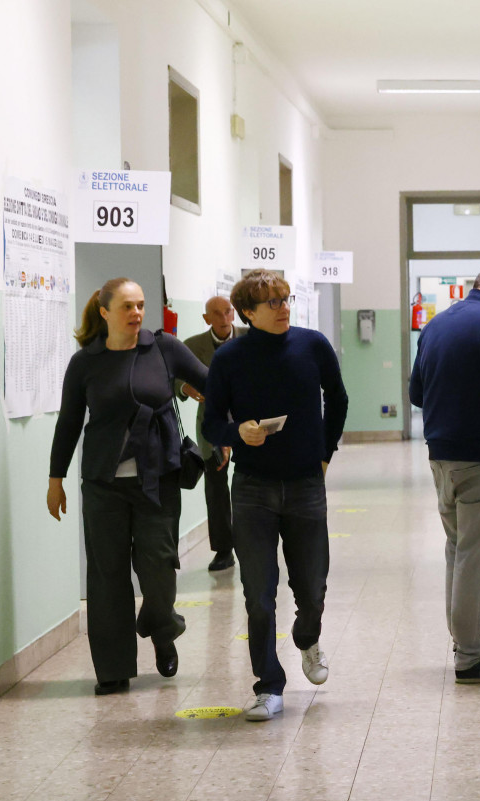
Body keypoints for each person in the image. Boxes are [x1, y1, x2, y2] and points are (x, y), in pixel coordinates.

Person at [47, 278, 208, 696]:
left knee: (158, 568)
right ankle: (113, 670)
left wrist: (231, 420)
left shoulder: (164, 349)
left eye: (140, 306)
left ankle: (161, 627)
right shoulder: (86, 363)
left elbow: (213, 383)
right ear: (104, 312)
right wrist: (55, 479)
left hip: (157, 481)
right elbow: (68, 423)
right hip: (103, 484)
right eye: (127, 307)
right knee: (106, 576)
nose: (137, 314)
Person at [202, 269, 348, 721]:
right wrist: (237, 432)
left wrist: (324, 455)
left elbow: (338, 400)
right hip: (252, 489)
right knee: (258, 595)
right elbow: (210, 424)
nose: (285, 308)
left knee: (313, 588)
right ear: (248, 311)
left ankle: (307, 638)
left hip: (306, 485)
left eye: (286, 299)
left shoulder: (313, 345)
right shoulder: (230, 358)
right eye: (273, 302)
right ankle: (269, 686)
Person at [408, 262, 480, 684]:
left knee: (458, 551)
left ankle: (464, 646)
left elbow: (416, 393)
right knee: (476, 556)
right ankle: (472, 655)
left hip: (440, 454)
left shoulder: (436, 325)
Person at [177, 296, 246, 572]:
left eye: (228, 311)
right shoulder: (192, 346)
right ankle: (223, 550)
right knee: (216, 489)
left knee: (249, 484)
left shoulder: (250, 339)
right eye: (216, 314)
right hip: (211, 426)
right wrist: (185, 388)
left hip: (248, 424)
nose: (223, 318)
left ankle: (253, 542)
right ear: (206, 319)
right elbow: (173, 377)